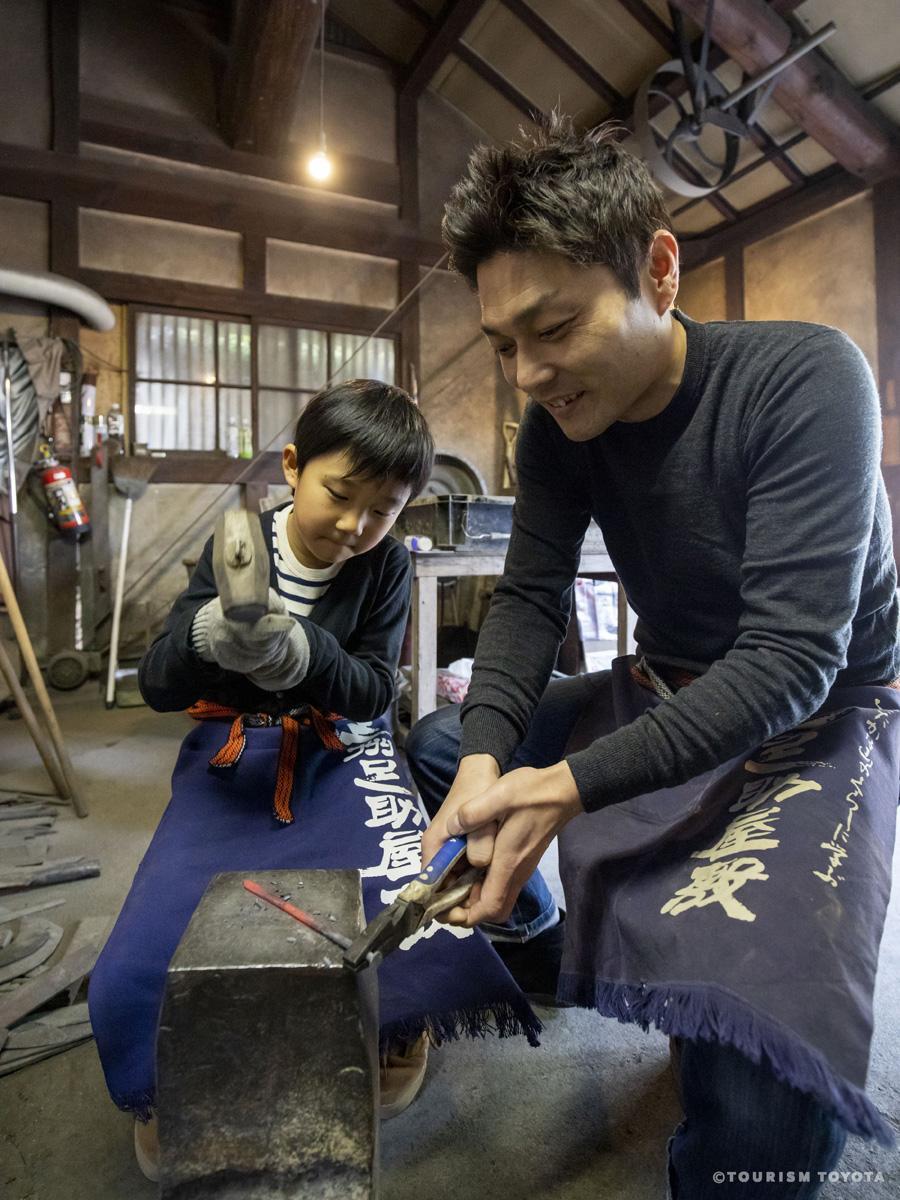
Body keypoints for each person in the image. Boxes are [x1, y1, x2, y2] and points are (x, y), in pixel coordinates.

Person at [408, 115, 900, 1198]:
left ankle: (699, 1008)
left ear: (660, 272)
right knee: (449, 749)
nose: (529, 373)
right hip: (666, 682)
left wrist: (571, 787)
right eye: (504, 346)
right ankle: (563, 950)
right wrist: (497, 761)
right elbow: (530, 599)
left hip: (822, 718)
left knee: (762, 1063)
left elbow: (789, 663)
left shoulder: (808, 381)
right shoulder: (558, 427)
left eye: (556, 327)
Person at [90, 380, 453, 1179]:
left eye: (384, 508)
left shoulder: (384, 565)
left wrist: (308, 657)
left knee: (411, 910)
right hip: (238, 752)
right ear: (292, 466)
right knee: (148, 948)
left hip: (342, 747)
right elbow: (156, 685)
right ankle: (163, 1089)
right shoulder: (237, 543)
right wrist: (205, 636)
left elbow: (370, 688)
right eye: (340, 494)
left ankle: (398, 1029)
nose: (357, 525)